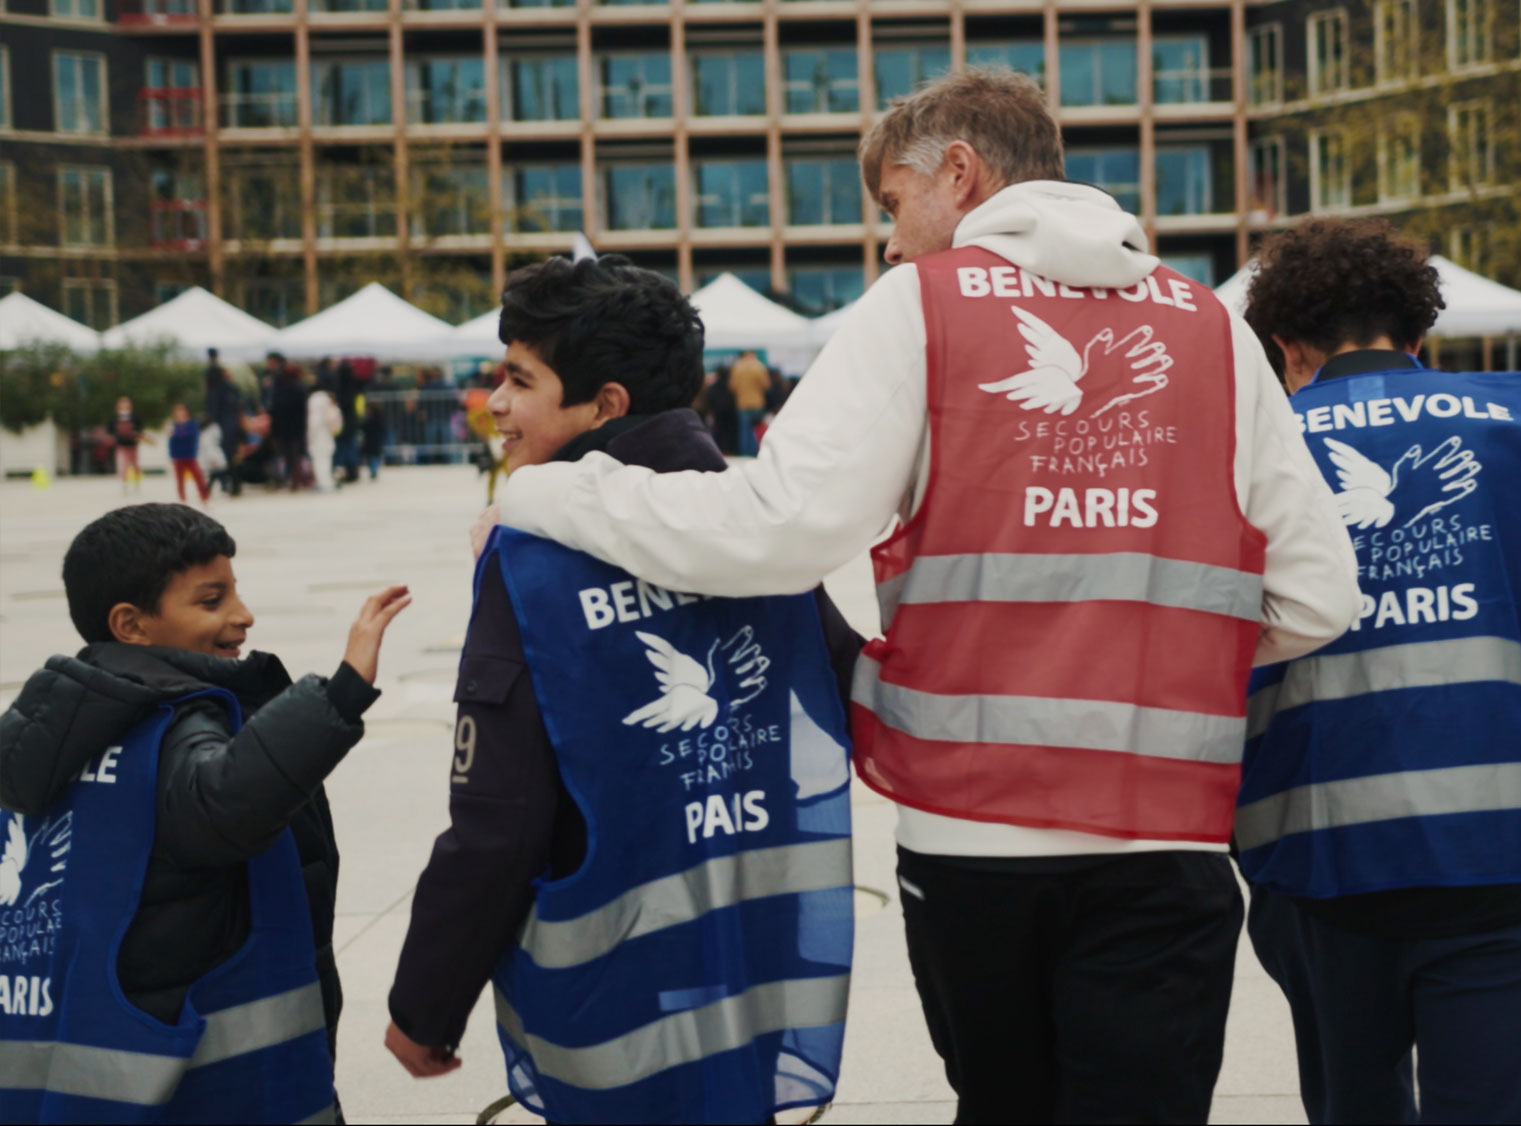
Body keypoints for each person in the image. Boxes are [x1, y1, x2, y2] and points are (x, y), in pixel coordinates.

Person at [483, 67, 1361, 1123]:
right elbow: (1317, 596)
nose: (893, 244)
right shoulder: (1209, 326)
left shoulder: (921, 308)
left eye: (894, 206)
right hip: (1164, 835)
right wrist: (1149, 653)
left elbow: (774, 531)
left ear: (960, 171)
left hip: (972, 834)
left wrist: (552, 493)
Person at [387, 255, 861, 1123]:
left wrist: (426, 1000)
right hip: (748, 971)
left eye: (519, 380)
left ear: (605, 405)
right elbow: (854, 688)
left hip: (612, 1003)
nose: (494, 403)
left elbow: (499, 819)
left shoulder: (532, 561)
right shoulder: (754, 530)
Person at [1238, 217, 1521, 1126]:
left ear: (1287, 347)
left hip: (1322, 863)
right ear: (1416, 334)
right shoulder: (1514, 433)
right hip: (1510, 855)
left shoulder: (1258, 447)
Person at [0, 504, 409, 1121]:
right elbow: (225, 803)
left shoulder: (66, 726)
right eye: (212, 600)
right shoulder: (175, 723)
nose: (243, 615)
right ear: (131, 624)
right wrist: (342, 693)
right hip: (209, 1076)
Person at [268, 354, 310, 491]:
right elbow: (304, 410)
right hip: (296, 427)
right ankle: (295, 479)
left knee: (282, 453)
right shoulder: (300, 389)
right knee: (295, 454)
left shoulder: (278, 388)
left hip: (281, 427)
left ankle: (283, 478)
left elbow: (274, 408)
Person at [205, 358, 246, 497]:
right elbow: (240, 405)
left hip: (222, 427)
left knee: (222, 457)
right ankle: (236, 484)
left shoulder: (214, 390)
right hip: (235, 425)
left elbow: (213, 411)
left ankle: (222, 485)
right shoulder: (232, 387)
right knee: (234, 457)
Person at [306, 369, 344, 494]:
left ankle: (324, 483)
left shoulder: (315, 398)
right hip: (328, 434)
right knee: (326, 460)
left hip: (319, 435)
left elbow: (314, 421)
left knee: (319, 461)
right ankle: (328, 482)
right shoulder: (328, 397)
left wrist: (310, 435)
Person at [166, 401, 211, 506]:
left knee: (198, 476)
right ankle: (183, 499)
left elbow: (193, 436)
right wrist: (171, 455)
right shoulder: (173, 425)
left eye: (182, 410)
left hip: (190, 455)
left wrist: (177, 433)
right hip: (178, 456)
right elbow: (171, 442)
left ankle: (204, 498)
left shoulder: (192, 424)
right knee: (180, 480)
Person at [728, 349, 771, 456]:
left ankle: (745, 453)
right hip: (757, 402)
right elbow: (766, 385)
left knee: (744, 430)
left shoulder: (737, 367)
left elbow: (732, 386)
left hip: (742, 403)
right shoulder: (759, 366)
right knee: (757, 428)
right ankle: (757, 451)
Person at [107, 395, 152, 493]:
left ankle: (136, 482)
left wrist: (136, 434)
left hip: (132, 445)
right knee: (122, 465)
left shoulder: (135, 417)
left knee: (134, 464)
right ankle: (124, 483)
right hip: (121, 445)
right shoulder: (115, 418)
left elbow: (140, 429)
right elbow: (110, 430)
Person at [703, 362, 740, 456]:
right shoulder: (731, 386)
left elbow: (710, 398)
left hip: (718, 414)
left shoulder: (714, 387)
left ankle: (721, 451)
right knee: (731, 433)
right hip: (731, 414)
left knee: (720, 433)